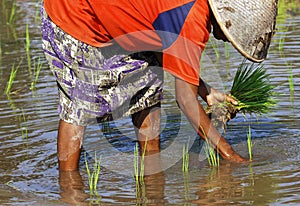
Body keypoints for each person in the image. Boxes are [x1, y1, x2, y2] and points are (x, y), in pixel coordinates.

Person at [41, 0, 248, 172]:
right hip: (74, 13)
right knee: (80, 104)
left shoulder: (187, 11)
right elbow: (185, 100)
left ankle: (151, 176)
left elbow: (161, 43)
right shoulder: (193, 20)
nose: (230, 41)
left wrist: (206, 91)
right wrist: (230, 154)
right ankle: (68, 188)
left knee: (149, 86)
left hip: (112, 15)